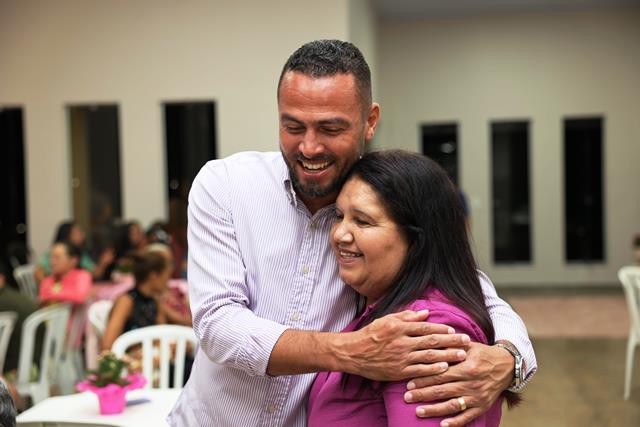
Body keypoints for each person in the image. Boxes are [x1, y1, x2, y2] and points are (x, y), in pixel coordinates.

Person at [169, 40, 536, 427]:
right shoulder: (226, 185)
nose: (310, 147)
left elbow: (463, 284)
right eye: (293, 127)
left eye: (331, 129)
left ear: (370, 120)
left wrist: (509, 360)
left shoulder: (381, 197)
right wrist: (350, 351)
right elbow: (217, 323)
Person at [308, 150, 519, 426]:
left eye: (362, 221)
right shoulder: (382, 304)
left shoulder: (427, 329)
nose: (338, 234)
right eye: (339, 216)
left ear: (416, 239)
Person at [101, 251, 172, 351]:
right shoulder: (127, 301)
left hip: (150, 357)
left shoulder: (154, 302)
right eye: (167, 276)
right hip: (126, 358)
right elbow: (107, 346)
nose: (168, 282)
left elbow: (163, 336)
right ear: (153, 276)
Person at [34, 221, 114, 283]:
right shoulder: (54, 252)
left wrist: (103, 263)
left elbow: (93, 274)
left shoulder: (80, 253)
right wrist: (51, 288)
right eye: (77, 232)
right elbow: (38, 273)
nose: (82, 234)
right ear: (67, 236)